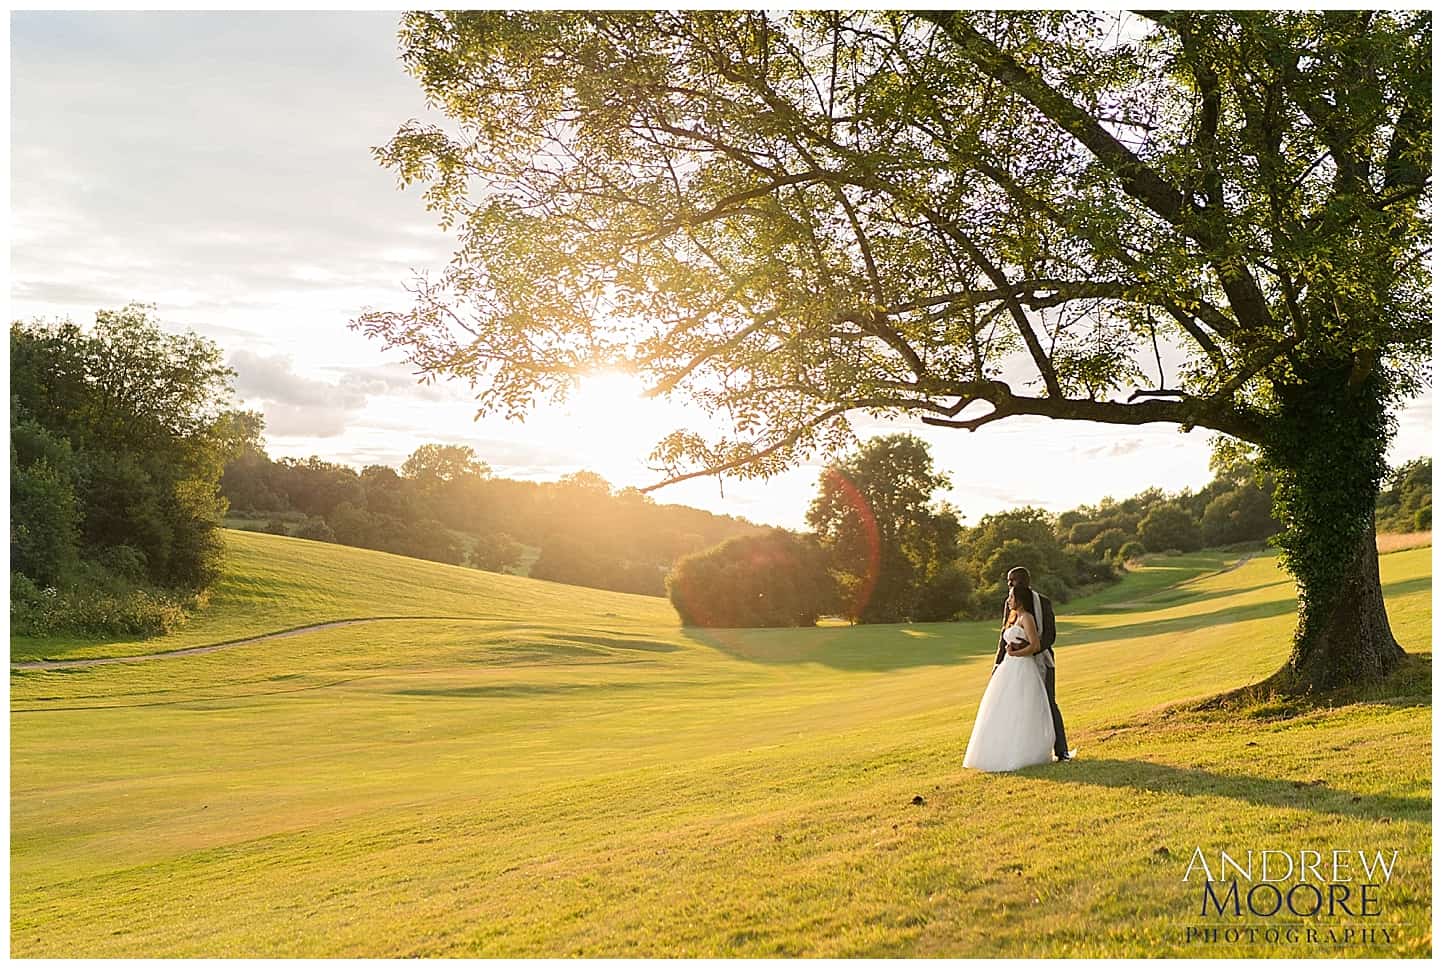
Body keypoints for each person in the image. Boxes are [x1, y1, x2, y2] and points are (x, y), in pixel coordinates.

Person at [961, 583, 1056, 771]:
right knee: (1003, 706)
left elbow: (1035, 645)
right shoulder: (1014, 618)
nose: (1008, 600)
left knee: (1022, 707)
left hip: (1023, 668)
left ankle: (1023, 752)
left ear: (1019, 599)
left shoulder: (1027, 618)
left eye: (1011, 597)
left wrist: (1016, 653)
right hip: (1009, 668)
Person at [992, 566, 1073, 762]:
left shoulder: (1043, 602)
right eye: (1008, 581)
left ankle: (1061, 750)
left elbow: (1049, 636)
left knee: (1049, 703)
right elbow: (1004, 636)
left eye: (1013, 580)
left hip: (1041, 661)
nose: (1009, 584)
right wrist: (997, 664)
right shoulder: (1009, 605)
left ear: (1024, 581)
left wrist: (1027, 649)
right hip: (1015, 666)